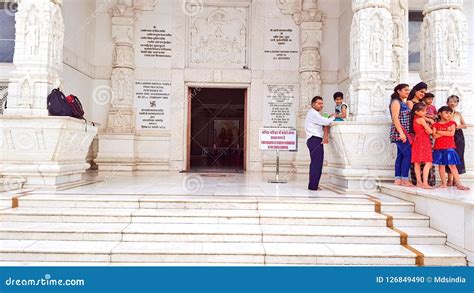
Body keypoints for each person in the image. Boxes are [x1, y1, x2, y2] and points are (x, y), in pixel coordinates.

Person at [432, 106, 470, 190]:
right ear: (439, 113)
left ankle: (459, 184)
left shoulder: (452, 123)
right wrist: (446, 131)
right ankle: (443, 183)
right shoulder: (435, 124)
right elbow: (434, 136)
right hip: (438, 147)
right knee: (441, 166)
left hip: (449, 148)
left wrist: (440, 131)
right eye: (446, 113)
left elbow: (451, 134)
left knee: (452, 165)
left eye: (450, 113)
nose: (448, 115)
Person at [305, 96, 335, 191]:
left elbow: (323, 121)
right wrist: (333, 117)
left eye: (322, 103)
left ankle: (313, 185)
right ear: (313, 104)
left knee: (316, 163)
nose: (321, 105)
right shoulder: (313, 114)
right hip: (315, 140)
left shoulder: (314, 114)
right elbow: (326, 122)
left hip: (314, 140)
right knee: (316, 164)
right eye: (319, 103)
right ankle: (313, 186)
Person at [390, 84, 414, 187]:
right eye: (405, 90)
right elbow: (395, 118)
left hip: (405, 132)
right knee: (408, 155)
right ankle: (404, 179)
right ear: (398, 91)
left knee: (401, 155)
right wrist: (401, 133)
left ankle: (398, 179)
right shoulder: (395, 102)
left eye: (408, 90)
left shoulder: (403, 103)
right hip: (400, 132)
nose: (407, 92)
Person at [410, 103, 434, 189]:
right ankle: (425, 183)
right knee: (428, 162)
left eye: (425, 110)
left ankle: (419, 182)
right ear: (416, 112)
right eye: (423, 111)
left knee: (417, 163)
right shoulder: (421, 119)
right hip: (423, 141)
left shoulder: (415, 118)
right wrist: (432, 125)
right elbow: (430, 131)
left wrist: (428, 120)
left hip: (417, 141)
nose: (425, 112)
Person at [446, 95, 467, 186]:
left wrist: (457, 126)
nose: (452, 103)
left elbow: (464, 125)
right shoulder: (445, 112)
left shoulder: (458, 114)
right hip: (448, 135)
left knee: (458, 155)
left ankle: (455, 179)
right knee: (449, 156)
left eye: (455, 101)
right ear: (447, 102)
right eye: (451, 101)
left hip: (458, 136)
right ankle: (449, 179)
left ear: (457, 103)